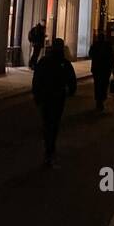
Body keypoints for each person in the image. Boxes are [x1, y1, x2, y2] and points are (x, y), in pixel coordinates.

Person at [32, 37, 77, 167]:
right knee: (54, 123)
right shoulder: (64, 63)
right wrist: (71, 91)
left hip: (46, 97)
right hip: (58, 98)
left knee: (47, 123)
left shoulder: (44, 61)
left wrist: (37, 96)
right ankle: (50, 148)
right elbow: (71, 80)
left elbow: (36, 80)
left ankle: (48, 148)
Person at [88, 31, 114, 113]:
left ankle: (98, 100)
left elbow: (90, 54)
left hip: (97, 69)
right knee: (104, 84)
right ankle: (101, 99)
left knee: (97, 85)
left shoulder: (95, 45)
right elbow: (112, 57)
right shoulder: (107, 45)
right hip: (105, 69)